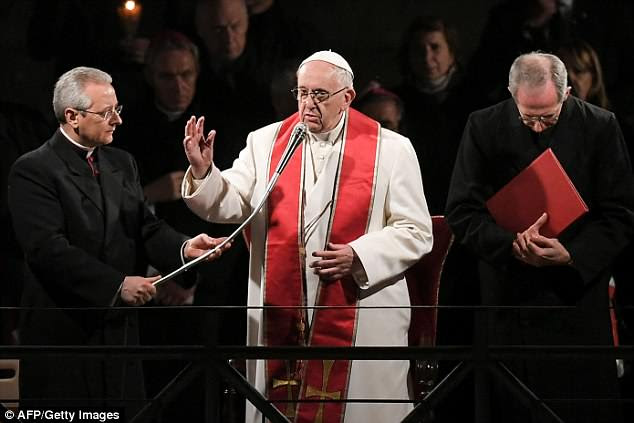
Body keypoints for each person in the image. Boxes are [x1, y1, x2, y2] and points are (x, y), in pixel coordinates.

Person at [180, 50, 433, 423]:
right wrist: (205, 173)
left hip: (359, 308)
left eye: (319, 94)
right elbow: (234, 204)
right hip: (283, 312)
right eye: (301, 93)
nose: (307, 104)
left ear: (347, 97)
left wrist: (359, 255)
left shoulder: (392, 150)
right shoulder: (266, 142)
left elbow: (416, 231)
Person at [7, 66, 228, 418]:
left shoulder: (122, 163)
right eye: (106, 112)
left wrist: (185, 248)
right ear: (72, 116)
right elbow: (46, 249)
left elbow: (145, 227)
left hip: (119, 336)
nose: (117, 121)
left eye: (118, 110)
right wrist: (116, 285)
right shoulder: (34, 170)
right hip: (65, 336)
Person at [446, 52, 634, 422]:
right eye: (527, 116)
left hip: (575, 299)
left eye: (548, 116)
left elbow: (621, 214)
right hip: (509, 301)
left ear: (566, 93)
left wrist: (571, 254)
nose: (536, 127)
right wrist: (510, 243)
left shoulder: (600, 126)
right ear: (511, 94)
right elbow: (462, 211)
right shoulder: (483, 127)